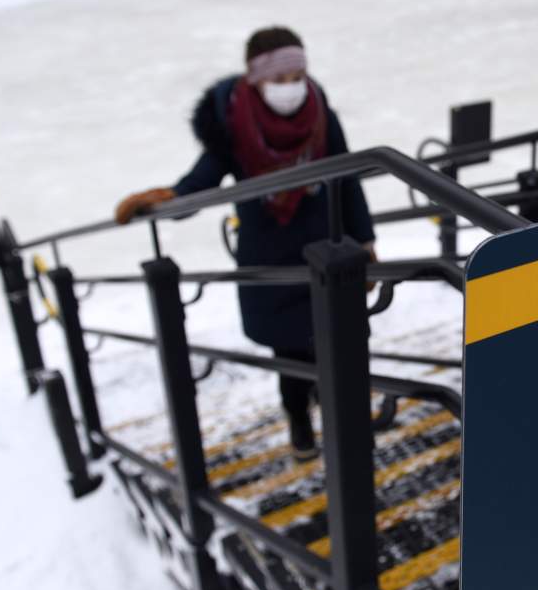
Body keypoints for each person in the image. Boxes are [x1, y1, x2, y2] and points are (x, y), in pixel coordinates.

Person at [115, 26, 376, 463]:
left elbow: (347, 177)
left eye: (297, 78)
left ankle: (345, 428)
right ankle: (299, 423)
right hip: (272, 261)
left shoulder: (319, 111)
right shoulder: (234, 123)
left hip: (328, 248)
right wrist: (167, 200)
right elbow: (204, 181)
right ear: (256, 78)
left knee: (342, 343)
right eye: (280, 81)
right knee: (292, 352)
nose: (291, 90)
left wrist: (365, 240)